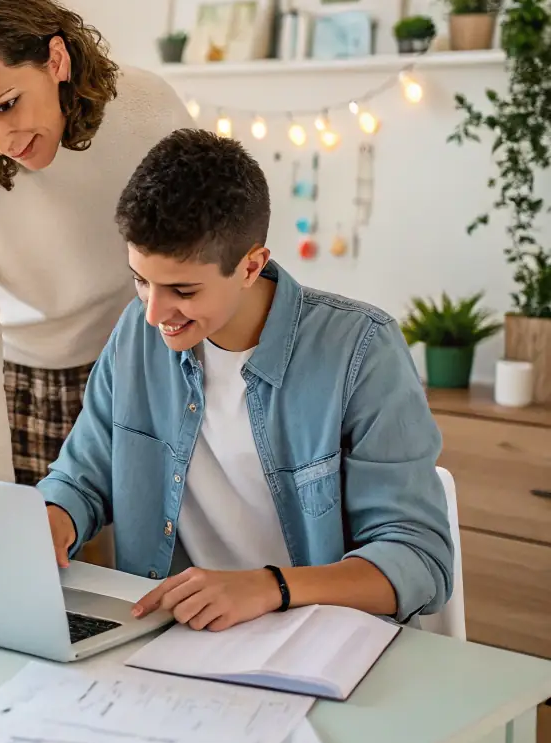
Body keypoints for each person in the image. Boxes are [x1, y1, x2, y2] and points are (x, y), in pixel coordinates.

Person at [37, 129, 453, 630]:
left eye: (182, 290)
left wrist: (270, 587)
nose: (154, 313)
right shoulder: (138, 332)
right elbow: (82, 477)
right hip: (172, 638)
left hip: (317, 638)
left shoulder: (361, 350)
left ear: (252, 265)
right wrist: (53, 518)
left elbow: (418, 558)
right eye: (141, 280)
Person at [0, 0, 192, 486]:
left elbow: (202, 258)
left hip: (124, 363)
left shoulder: (148, 108)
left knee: (134, 562)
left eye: (7, 104)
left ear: (56, 60)